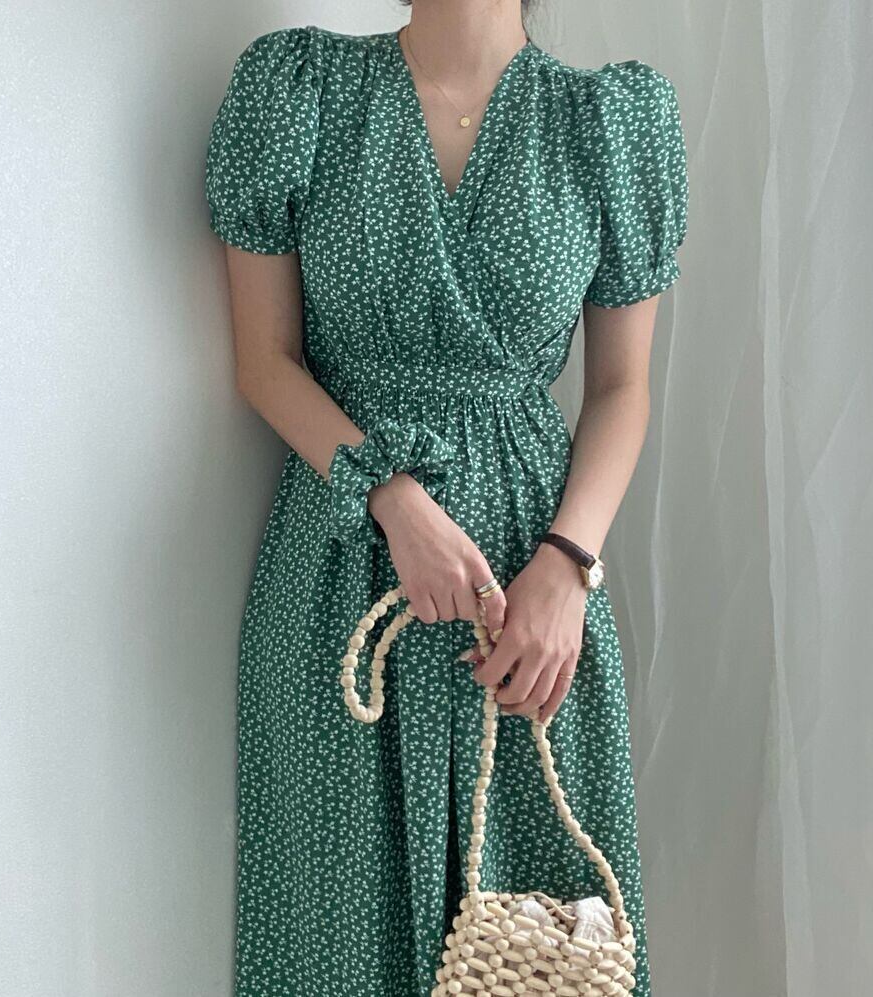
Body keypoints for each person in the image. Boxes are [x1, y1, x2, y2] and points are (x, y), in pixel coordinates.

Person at [203, 2, 688, 993]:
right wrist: (390, 496)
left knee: (538, 952)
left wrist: (568, 567)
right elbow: (265, 361)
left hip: (533, 587)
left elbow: (621, 389)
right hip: (345, 569)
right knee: (336, 939)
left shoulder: (606, 122)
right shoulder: (301, 94)